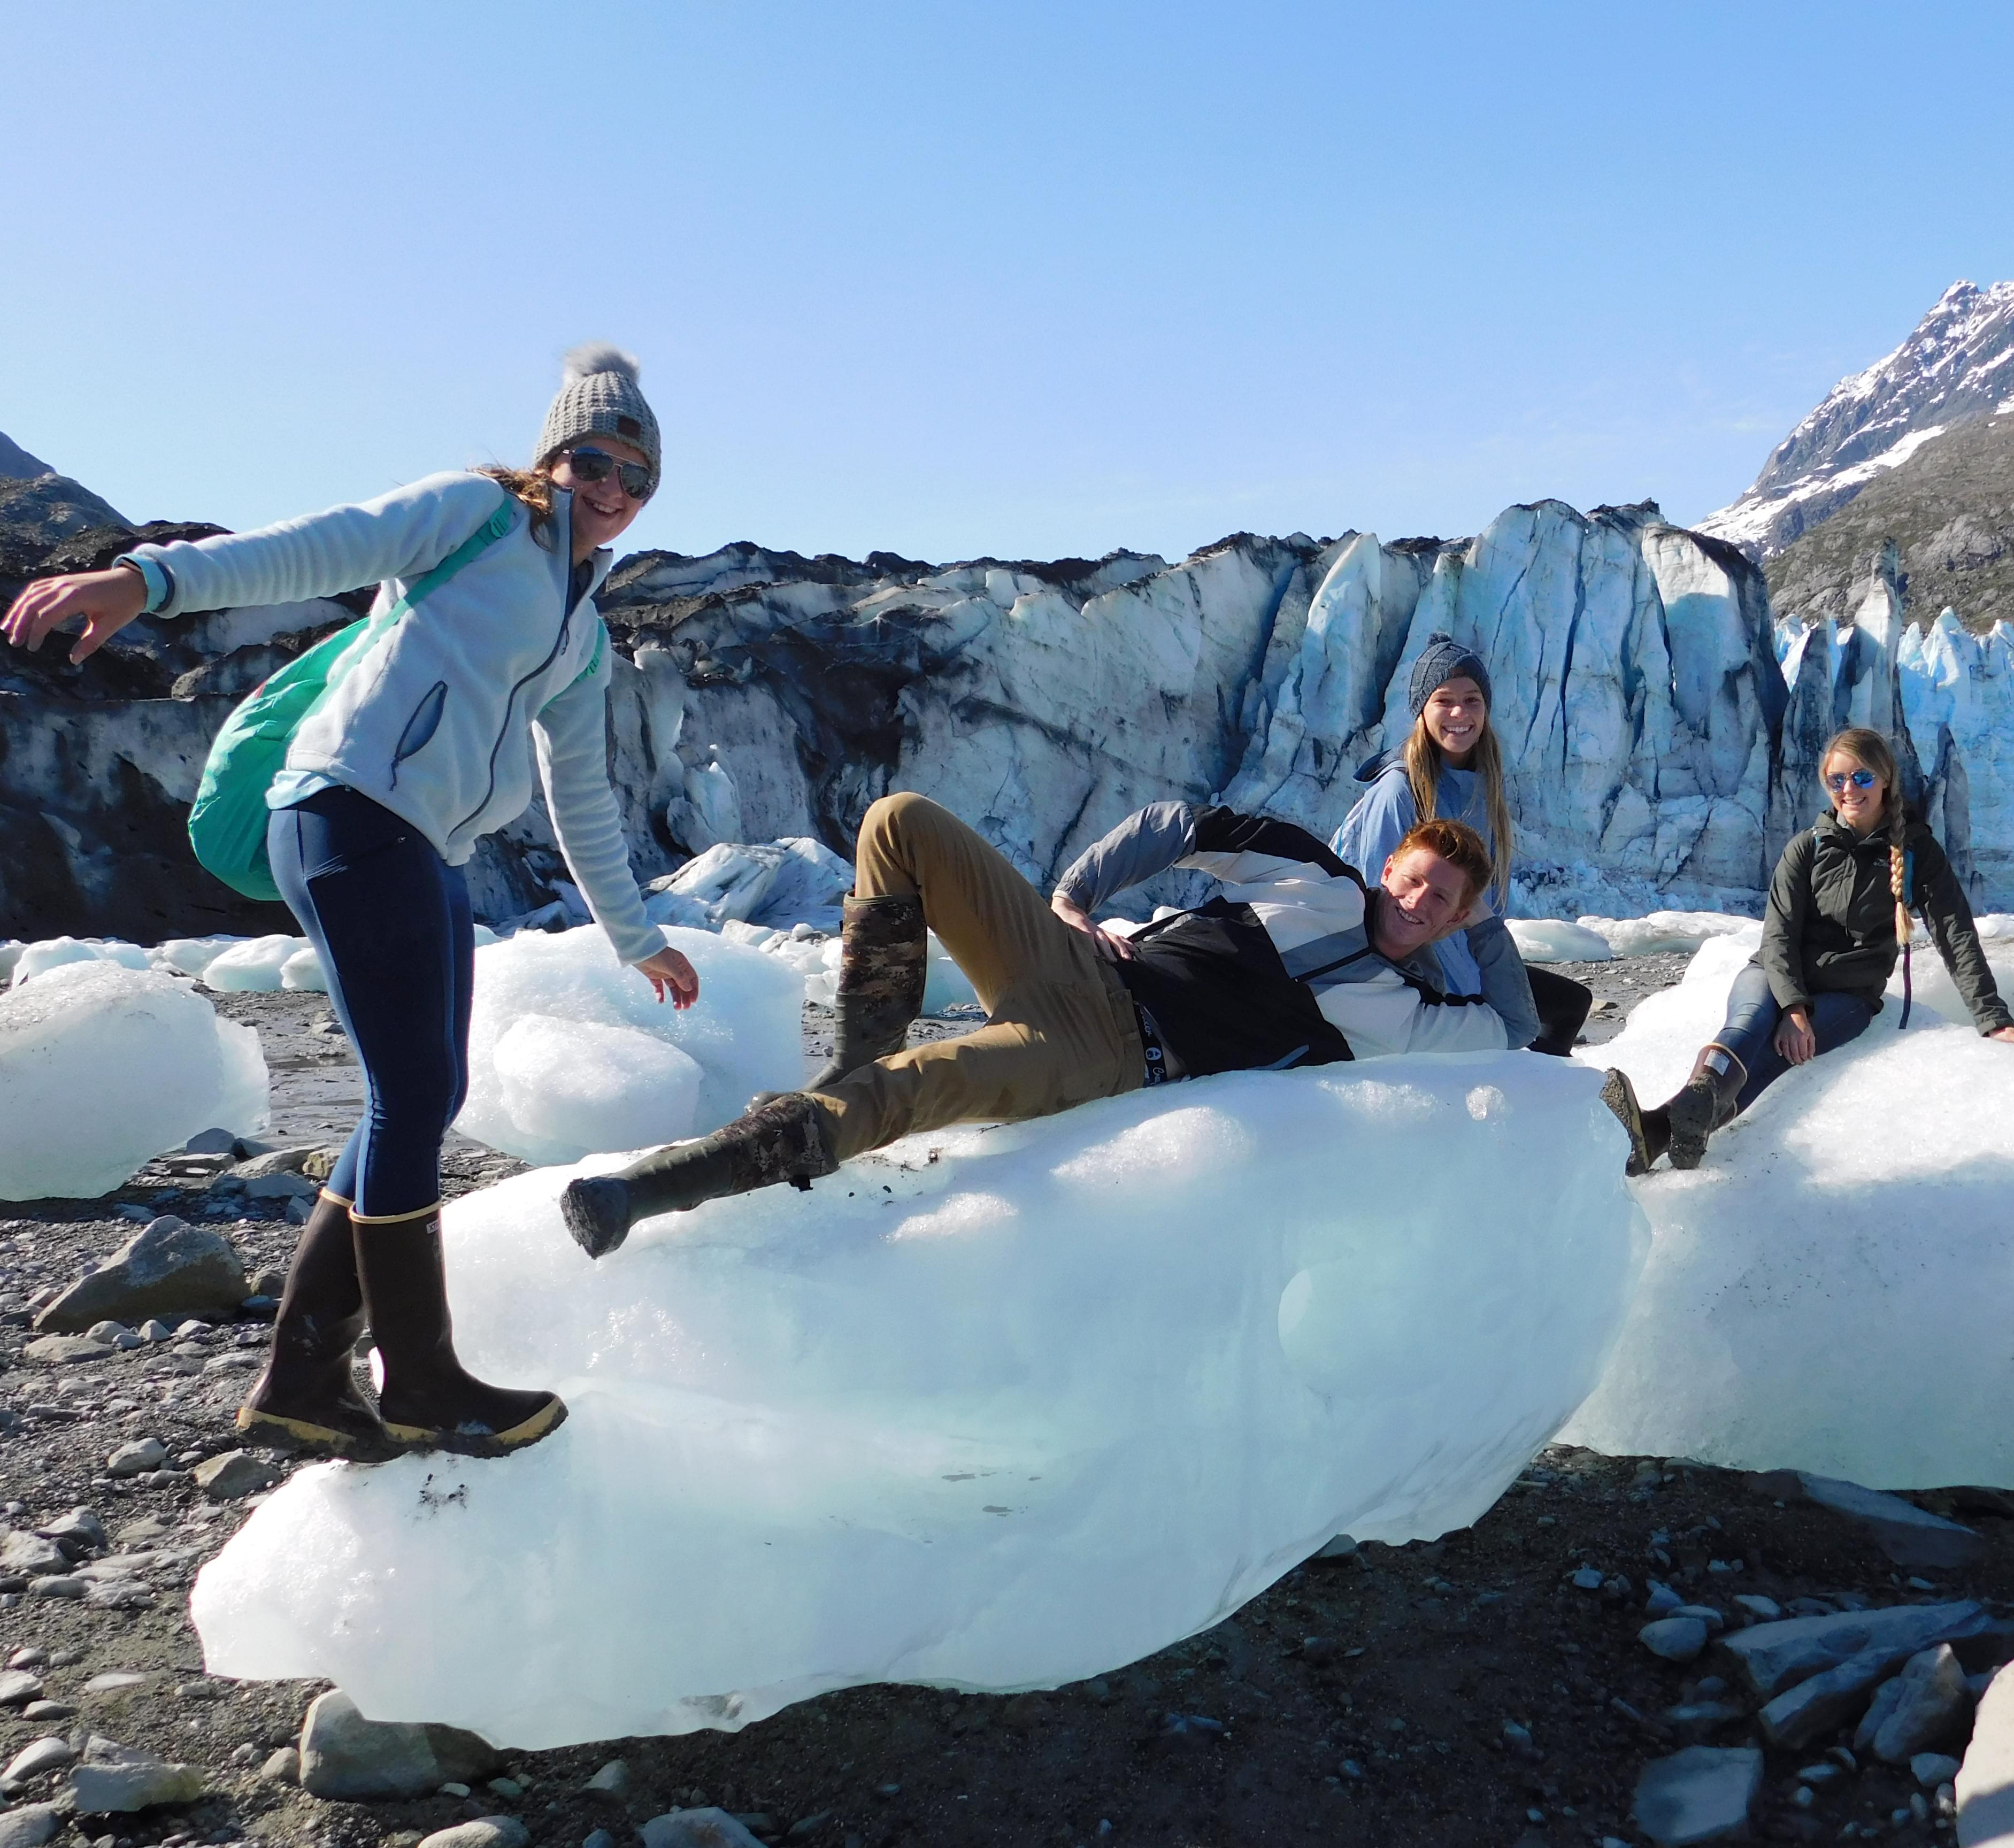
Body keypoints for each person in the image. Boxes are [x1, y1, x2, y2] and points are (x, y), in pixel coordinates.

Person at [0, 344, 701, 1461]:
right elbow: (311, 547)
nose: (610, 488)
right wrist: (148, 579)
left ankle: (301, 1380)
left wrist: (639, 937)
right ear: (552, 457)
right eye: (592, 459)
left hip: (428, 842)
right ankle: (420, 1378)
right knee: (412, 1089)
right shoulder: (472, 517)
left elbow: (585, 795)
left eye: (635, 476)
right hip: (344, 804)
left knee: (422, 1091)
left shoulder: (586, 635)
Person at [559, 791, 1527, 1257]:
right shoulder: (1315, 876)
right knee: (899, 823)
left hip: (1103, 1053)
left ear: (1453, 919)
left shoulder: (1406, 1019)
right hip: (1074, 961)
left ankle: (656, 1189)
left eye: (1441, 901)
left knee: (919, 1090)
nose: (1415, 900)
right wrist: (1073, 898)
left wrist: (1487, 931)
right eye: (1410, 878)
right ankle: (853, 1062)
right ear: (1387, 865)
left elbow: (1515, 1028)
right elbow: (1179, 825)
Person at [1618, 725, 2014, 1174]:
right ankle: (1682, 1117)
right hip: (1775, 974)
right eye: (1837, 780)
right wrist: (1795, 1008)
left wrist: (1994, 1021)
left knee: (1774, 1056)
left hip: (1848, 996)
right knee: (1746, 1029)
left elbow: (1956, 935)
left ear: (1885, 780)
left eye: (1862, 778)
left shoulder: (1918, 853)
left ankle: (1658, 1131)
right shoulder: (1808, 847)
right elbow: (1778, 934)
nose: (1849, 790)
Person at [1330, 634, 1593, 1056]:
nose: (1460, 713)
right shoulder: (1400, 789)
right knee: (1520, 1024)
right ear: (1421, 710)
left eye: (1472, 700)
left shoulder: (1481, 784)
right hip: (1414, 966)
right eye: (1444, 701)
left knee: (1570, 1004)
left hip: (1460, 954)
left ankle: (1548, 1105)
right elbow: (1375, 903)